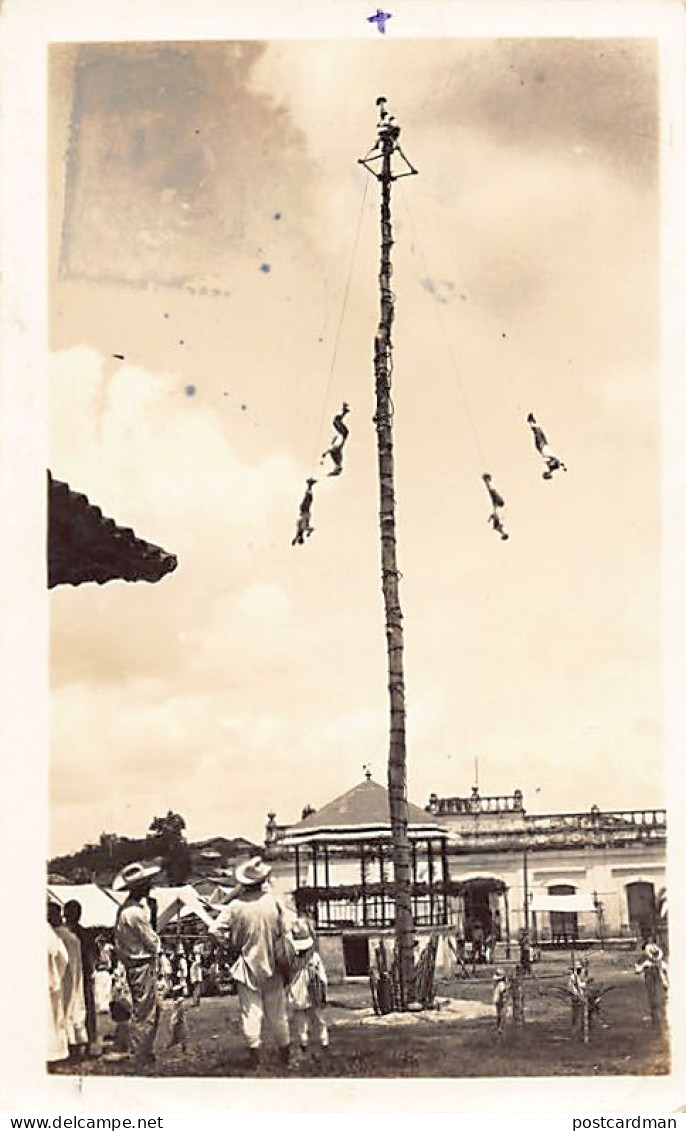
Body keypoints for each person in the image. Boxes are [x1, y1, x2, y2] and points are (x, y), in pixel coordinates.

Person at [210, 856, 291, 1069]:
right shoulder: (274, 901)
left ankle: (255, 1056)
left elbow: (214, 929)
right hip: (273, 962)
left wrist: (228, 945)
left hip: (246, 963)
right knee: (277, 1012)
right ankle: (285, 1055)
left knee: (250, 1011)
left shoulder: (236, 907)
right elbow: (288, 927)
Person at [113, 861, 162, 1068]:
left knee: (147, 1008)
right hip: (141, 963)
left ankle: (142, 1049)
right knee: (145, 1010)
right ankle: (140, 1052)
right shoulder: (134, 913)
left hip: (134, 962)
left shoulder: (125, 910)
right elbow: (152, 941)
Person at [287, 918, 329, 1061]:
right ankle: (308, 1042)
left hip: (307, 991)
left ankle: (320, 1042)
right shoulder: (297, 958)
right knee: (306, 1020)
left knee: (314, 1019)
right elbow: (322, 977)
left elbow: (321, 975)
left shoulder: (310, 957)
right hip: (305, 990)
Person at [63, 900, 99, 1056]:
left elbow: (93, 954)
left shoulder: (73, 934)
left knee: (81, 1008)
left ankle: (85, 1041)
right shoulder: (82, 934)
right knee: (82, 1008)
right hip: (79, 974)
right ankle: (83, 1041)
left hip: (80, 975)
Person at [55, 902, 89, 1061]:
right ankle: (76, 1043)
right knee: (72, 1008)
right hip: (72, 976)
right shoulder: (67, 935)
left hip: (68, 976)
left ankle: (75, 1044)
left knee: (69, 1008)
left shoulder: (67, 936)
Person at [47, 902, 69, 1065]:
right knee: (51, 1018)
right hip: (48, 980)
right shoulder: (48, 932)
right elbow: (63, 957)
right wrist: (57, 975)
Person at [635, 941, 668, 1026]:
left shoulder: (657, 961)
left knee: (657, 998)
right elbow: (638, 969)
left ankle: (658, 1017)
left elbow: (638, 969)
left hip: (656, 980)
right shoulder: (648, 961)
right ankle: (656, 1017)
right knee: (653, 998)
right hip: (652, 980)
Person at [526, 413, 567, 479]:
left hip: (542, 447)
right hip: (545, 446)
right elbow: (559, 464)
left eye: (547, 474)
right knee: (540, 432)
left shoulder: (550, 465)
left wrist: (560, 465)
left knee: (538, 433)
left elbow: (553, 462)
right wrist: (563, 467)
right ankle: (532, 421)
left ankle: (531, 421)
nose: (548, 473)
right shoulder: (554, 467)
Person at [482, 473, 509, 541]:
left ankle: (487, 481)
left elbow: (495, 516)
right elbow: (497, 516)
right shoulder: (499, 523)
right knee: (492, 492)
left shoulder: (497, 524)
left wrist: (490, 518)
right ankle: (487, 480)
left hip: (497, 505)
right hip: (499, 504)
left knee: (491, 492)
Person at [291, 479, 317, 546]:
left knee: (308, 499)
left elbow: (306, 528)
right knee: (309, 499)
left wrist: (309, 531)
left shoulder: (301, 529)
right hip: (305, 511)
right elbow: (308, 529)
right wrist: (309, 532)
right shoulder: (301, 530)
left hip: (304, 511)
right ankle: (310, 485)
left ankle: (309, 484)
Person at [493, 968, 509, 1037]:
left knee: (499, 1014)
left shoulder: (496, 984)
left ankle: (498, 1027)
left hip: (496, 1000)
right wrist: (508, 986)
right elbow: (503, 991)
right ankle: (500, 1027)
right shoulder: (501, 984)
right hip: (501, 1000)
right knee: (503, 1014)